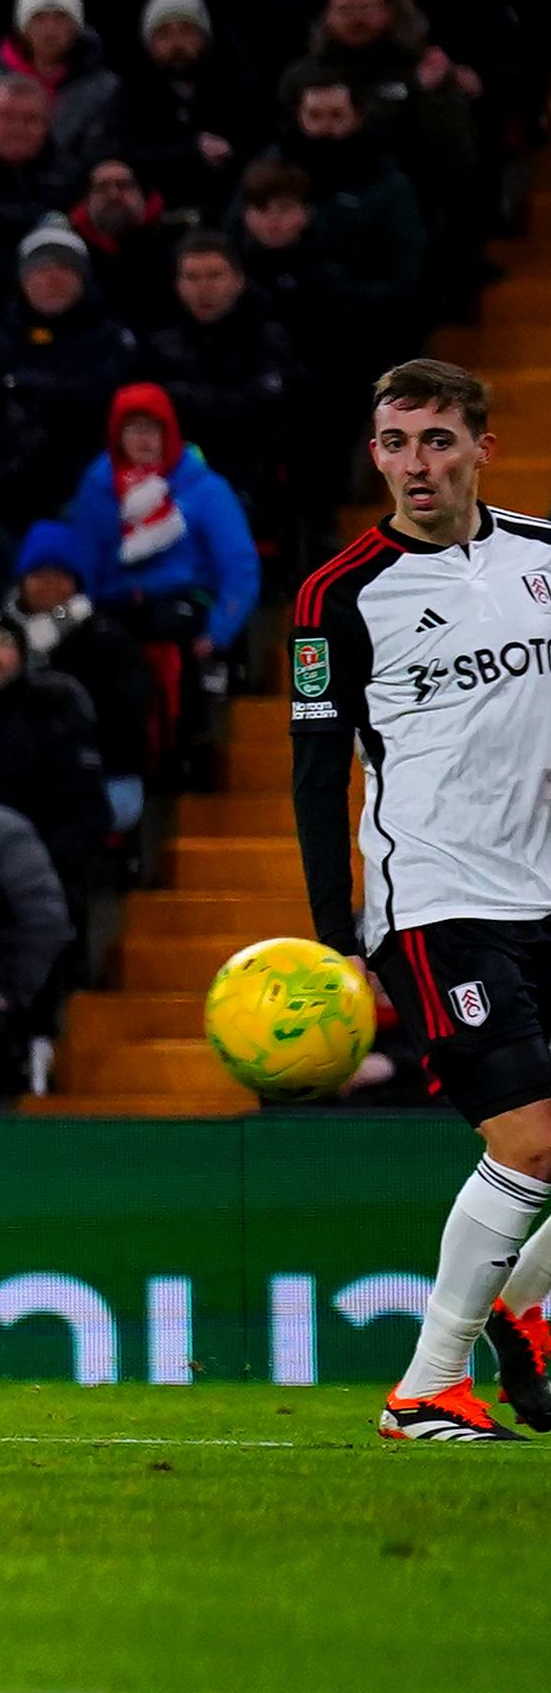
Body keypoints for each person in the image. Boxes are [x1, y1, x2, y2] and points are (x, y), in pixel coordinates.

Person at [288, 359, 551, 1442]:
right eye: (395, 443)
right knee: (529, 1141)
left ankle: (522, 1308)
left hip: (545, 891)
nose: (415, 465)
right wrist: (330, 935)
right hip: (435, 901)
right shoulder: (337, 595)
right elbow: (316, 774)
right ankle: (425, 1385)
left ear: (481, 448)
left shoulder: (542, 555)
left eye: (437, 440)